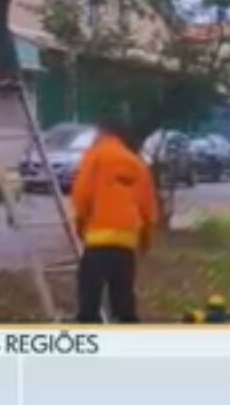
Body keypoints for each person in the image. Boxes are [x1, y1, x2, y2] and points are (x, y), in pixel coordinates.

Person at [70, 119, 159, 323]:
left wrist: (80, 223)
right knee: (123, 292)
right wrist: (145, 240)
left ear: (103, 133)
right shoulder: (136, 163)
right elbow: (148, 207)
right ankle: (126, 327)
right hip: (126, 241)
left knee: (90, 292)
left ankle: (89, 328)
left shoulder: (95, 156)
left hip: (98, 239)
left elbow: (82, 194)